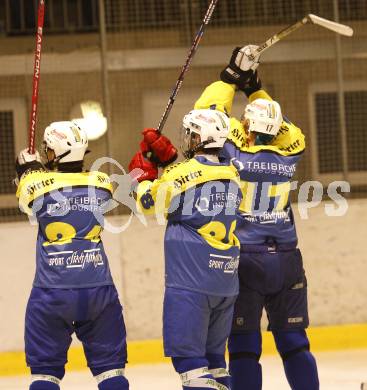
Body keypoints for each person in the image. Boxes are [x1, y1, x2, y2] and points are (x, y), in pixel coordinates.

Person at [193, 45, 320, 389]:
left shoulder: (232, 152)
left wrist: (230, 78)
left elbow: (208, 114)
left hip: (246, 261)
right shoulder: (290, 153)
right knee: (295, 342)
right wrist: (255, 87)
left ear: (247, 126)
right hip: (287, 260)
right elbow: (287, 128)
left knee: (245, 348)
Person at [128, 115, 242, 390]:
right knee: (215, 362)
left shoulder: (180, 176)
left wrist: (138, 174)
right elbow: (193, 181)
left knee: (189, 363)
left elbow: (147, 202)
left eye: (191, 134)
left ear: (199, 138)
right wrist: (168, 165)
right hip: (224, 283)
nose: (187, 138)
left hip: (191, 284)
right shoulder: (233, 172)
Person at [16, 121, 129, 390]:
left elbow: (26, 198)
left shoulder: (37, 184)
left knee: (44, 374)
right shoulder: (102, 182)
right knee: (112, 371)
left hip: (52, 291)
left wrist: (27, 167)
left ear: (56, 150)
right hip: (99, 290)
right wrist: (35, 171)